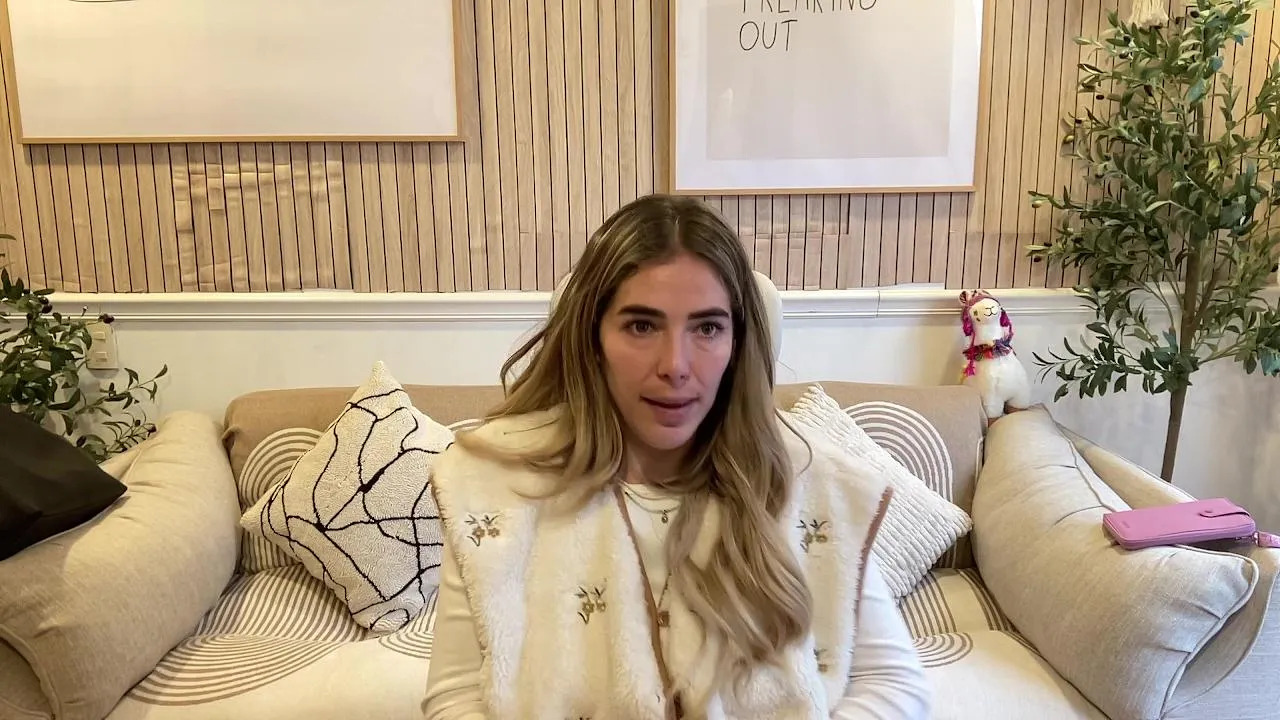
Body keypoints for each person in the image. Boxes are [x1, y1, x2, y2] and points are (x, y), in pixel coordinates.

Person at [422, 194, 931, 719]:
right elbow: (456, 698)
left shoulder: (808, 481)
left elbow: (895, 686)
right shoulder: (495, 487)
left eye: (707, 327)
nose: (675, 365)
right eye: (641, 326)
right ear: (593, 337)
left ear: (737, 343)